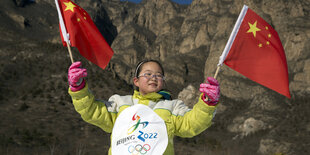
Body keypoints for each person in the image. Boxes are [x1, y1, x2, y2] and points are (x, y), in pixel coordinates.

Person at [68, 59, 220, 155]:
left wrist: (207, 103)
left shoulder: (172, 107)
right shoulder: (120, 104)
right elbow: (92, 111)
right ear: (136, 81)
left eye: (159, 75)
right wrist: (78, 88)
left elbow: (192, 124)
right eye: (147, 74)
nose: (153, 77)